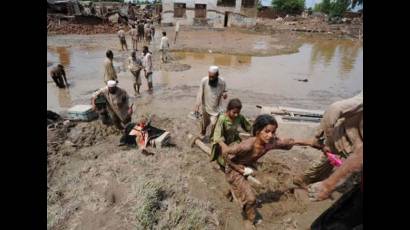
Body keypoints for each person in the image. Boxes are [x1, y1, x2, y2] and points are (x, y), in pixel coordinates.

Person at [220, 114, 311, 226]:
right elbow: (225, 153)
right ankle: (250, 220)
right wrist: (235, 167)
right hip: (233, 168)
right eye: (267, 131)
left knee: (240, 187)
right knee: (251, 199)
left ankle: (230, 192)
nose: (270, 135)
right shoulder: (247, 145)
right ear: (258, 131)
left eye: (273, 132)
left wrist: (312, 143)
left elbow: (291, 142)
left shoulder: (269, 143)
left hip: (246, 165)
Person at [293, 92, 363, 188]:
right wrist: (324, 139)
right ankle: (307, 181)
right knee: (331, 158)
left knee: (327, 162)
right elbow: (335, 108)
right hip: (346, 139)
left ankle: (306, 179)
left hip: (352, 142)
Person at [211, 98, 252, 168]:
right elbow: (217, 136)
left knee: (244, 152)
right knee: (227, 160)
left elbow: (248, 127)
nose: (236, 115)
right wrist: (226, 148)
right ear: (229, 109)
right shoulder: (222, 119)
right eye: (234, 112)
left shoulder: (240, 117)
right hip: (223, 142)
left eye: (238, 112)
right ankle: (220, 160)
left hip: (234, 140)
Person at [195, 65, 227, 139]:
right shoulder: (204, 80)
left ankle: (211, 137)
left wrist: (224, 94)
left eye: (213, 77)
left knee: (213, 124)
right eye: (210, 76)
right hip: (205, 107)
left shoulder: (222, 82)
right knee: (204, 123)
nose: (211, 78)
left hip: (216, 108)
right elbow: (200, 93)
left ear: (217, 75)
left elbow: (224, 91)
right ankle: (203, 132)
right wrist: (197, 105)